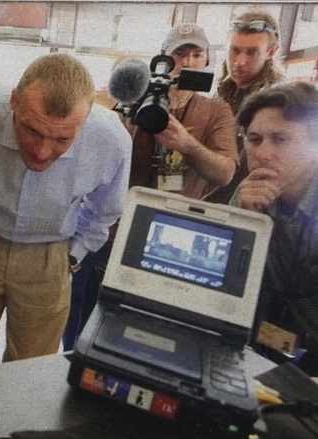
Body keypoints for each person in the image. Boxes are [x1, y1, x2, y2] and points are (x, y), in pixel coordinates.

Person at [0, 53, 132, 433]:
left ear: (86, 119)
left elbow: (105, 211)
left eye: (62, 139)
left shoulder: (112, 141)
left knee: (27, 376)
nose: (41, 151)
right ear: (14, 102)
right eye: (32, 130)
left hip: (51, 254)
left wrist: (71, 257)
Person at [62, 24, 240, 350]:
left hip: (174, 240)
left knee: (149, 333)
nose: (188, 62)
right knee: (84, 325)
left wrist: (186, 143)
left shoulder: (216, 110)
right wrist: (130, 117)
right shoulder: (135, 97)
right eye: (179, 54)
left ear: (207, 60)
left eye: (196, 54)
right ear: (164, 61)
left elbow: (225, 172)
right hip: (113, 233)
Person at [230, 82, 318, 376]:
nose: (263, 153)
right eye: (254, 140)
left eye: (280, 139)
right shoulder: (248, 195)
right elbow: (224, 284)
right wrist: (245, 222)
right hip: (260, 347)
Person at [204, 9, 286, 204]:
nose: (240, 62)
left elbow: (243, 172)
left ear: (271, 52)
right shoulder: (224, 90)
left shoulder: (276, 101)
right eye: (235, 50)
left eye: (252, 52)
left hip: (241, 204)